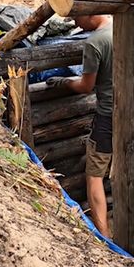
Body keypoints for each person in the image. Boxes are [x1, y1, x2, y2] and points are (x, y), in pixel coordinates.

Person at [46, 14, 113, 238]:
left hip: (108, 116)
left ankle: (103, 237)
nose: (76, 24)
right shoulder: (124, 27)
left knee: (94, 175)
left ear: (89, 13)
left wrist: (64, 82)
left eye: (76, 17)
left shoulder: (96, 42)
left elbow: (86, 86)